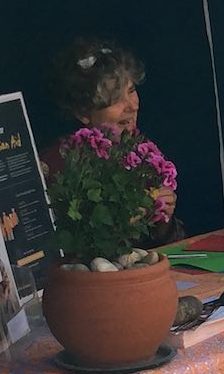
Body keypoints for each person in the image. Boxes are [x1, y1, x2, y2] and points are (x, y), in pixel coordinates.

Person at [45, 35, 182, 241]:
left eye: (132, 90)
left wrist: (164, 220)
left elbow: (167, 247)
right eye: (116, 99)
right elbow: (65, 251)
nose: (132, 105)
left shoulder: (143, 152)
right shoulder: (57, 166)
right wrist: (118, 226)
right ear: (83, 112)